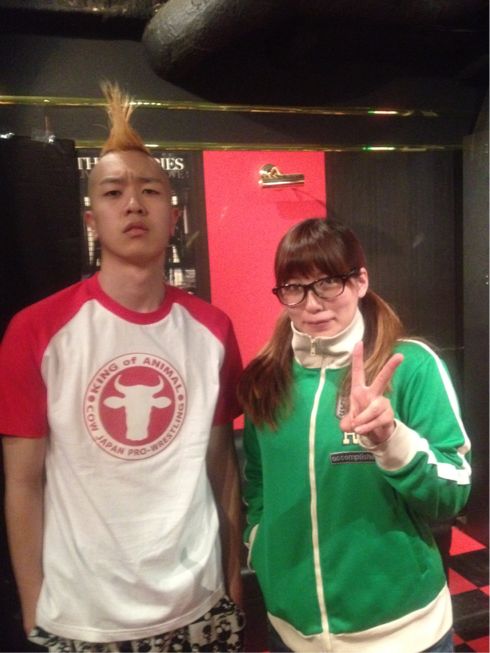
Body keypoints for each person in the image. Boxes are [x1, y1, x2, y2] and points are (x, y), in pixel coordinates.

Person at [0, 83, 245, 652]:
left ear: (174, 215)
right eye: (113, 192)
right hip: (83, 619)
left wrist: (232, 583)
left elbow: (221, 466)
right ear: (92, 218)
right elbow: (22, 482)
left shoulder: (213, 329)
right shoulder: (36, 331)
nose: (133, 203)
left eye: (150, 190)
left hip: (200, 605)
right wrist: (36, 611)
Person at [237, 218, 471, 653]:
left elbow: (453, 492)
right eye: (294, 287)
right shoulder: (265, 378)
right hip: (293, 632)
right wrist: (259, 541)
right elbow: (258, 479)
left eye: (328, 283)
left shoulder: (411, 365)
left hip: (405, 633)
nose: (312, 304)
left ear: (360, 281)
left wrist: (391, 440)